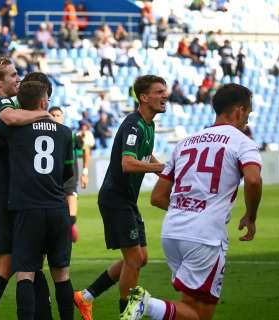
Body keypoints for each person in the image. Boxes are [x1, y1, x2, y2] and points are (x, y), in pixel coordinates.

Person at [122, 83, 262, 320]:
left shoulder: (186, 142)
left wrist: (185, 208)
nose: (247, 120)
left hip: (172, 233)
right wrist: (251, 215)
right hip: (204, 236)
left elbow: (157, 197)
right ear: (238, 110)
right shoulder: (242, 142)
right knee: (198, 313)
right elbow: (253, 180)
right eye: (247, 113)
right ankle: (146, 304)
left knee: (194, 309)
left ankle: (148, 305)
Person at [73, 75, 168, 319]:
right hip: (115, 199)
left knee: (140, 258)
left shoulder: (149, 125)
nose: (165, 95)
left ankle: (86, 296)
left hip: (126, 200)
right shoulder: (133, 125)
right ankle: (127, 314)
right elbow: (127, 163)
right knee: (134, 259)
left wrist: (167, 171)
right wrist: (160, 169)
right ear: (144, 97)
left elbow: (146, 155)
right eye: (159, 92)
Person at [0, 61, 50, 319]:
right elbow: (10, 119)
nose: (18, 78)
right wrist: (45, 116)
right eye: (13, 75)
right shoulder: (1, 103)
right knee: (13, 261)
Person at [0, 81, 75, 320]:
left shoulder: (14, 129)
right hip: (57, 208)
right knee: (62, 275)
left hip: (27, 209)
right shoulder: (65, 132)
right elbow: (67, 173)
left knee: (25, 273)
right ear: (43, 102)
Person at [49, 106, 90, 242]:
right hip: (51, 184)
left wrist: (85, 172)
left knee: (71, 219)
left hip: (69, 182)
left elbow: (85, 149)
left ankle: (70, 227)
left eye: (58, 115)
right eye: (53, 115)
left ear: (63, 117)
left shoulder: (70, 135)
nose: (55, 118)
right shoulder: (44, 136)